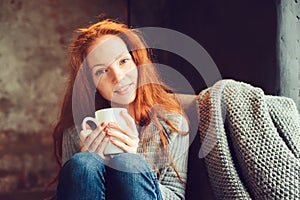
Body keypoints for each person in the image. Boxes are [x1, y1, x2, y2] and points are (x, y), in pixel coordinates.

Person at [52, 18, 189, 200]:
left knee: (128, 163)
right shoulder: (76, 131)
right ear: (90, 83)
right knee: (83, 163)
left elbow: (176, 196)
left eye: (123, 61)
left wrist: (135, 161)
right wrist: (93, 163)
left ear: (137, 62)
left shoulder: (171, 122)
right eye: (101, 71)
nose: (118, 76)